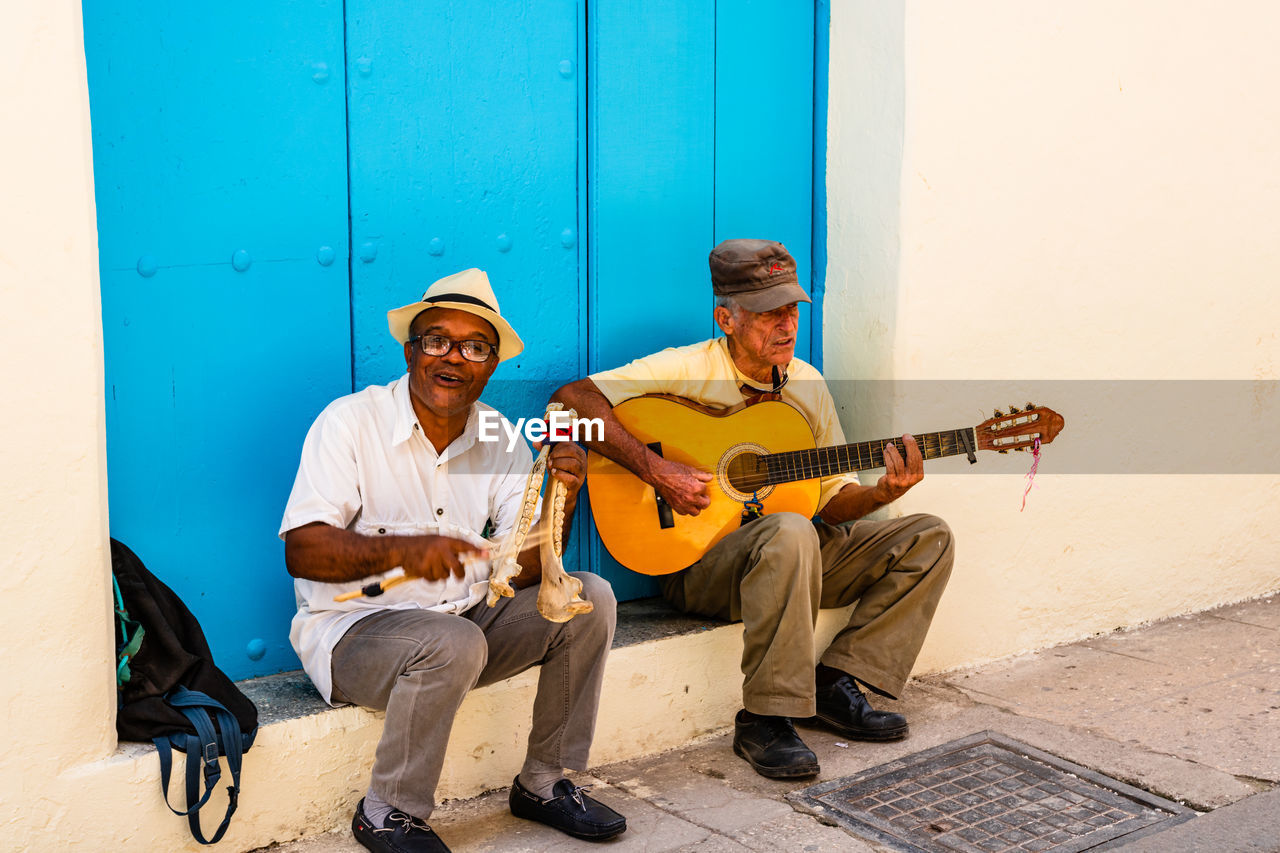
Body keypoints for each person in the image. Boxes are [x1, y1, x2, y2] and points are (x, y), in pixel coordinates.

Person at [554, 239, 954, 780]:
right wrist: (658, 472)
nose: (786, 325)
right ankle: (766, 717)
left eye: (791, 310)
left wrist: (882, 494)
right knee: (789, 530)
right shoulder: (687, 368)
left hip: (794, 558)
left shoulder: (806, 384)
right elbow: (570, 400)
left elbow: (833, 502)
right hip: (700, 565)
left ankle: (835, 682)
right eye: (768, 313)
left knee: (927, 535)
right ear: (727, 318)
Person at [280, 268, 626, 853]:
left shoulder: (498, 436)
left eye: (473, 347)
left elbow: (534, 567)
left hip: (463, 625)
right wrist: (406, 552)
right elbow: (302, 550)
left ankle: (544, 781)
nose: (453, 358)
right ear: (411, 350)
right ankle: (388, 811)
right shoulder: (351, 423)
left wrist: (562, 493)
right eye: (437, 340)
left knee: (588, 598)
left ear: (491, 365)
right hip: (354, 637)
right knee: (450, 640)